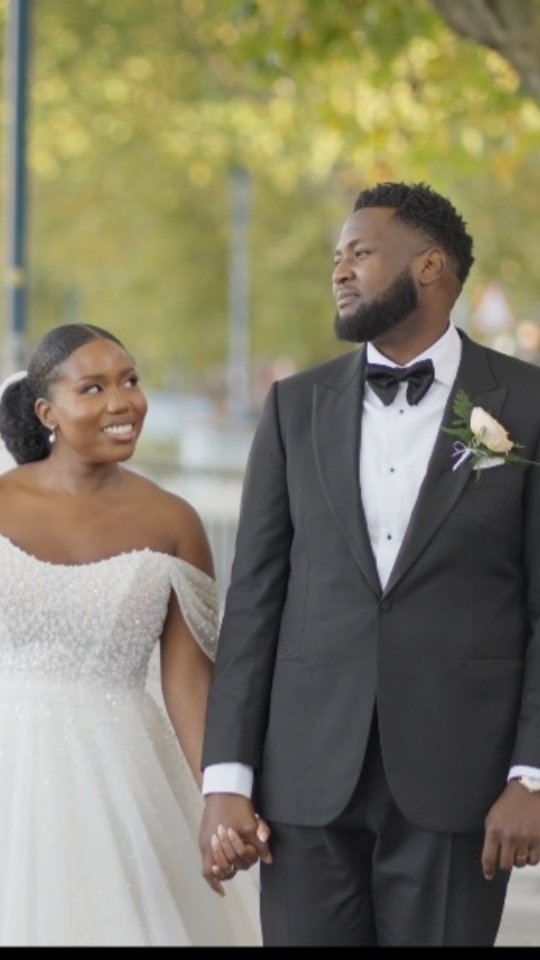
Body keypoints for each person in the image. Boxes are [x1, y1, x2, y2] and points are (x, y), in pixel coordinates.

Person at [198, 181, 540, 947]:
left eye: (361, 252)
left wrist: (532, 775)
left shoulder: (526, 404)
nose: (340, 270)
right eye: (336, 257)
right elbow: (255, 599)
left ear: (430, 266)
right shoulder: (294, 406)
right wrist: (227, 779)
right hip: (304, 780)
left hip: (461, 780)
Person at [0, 322, 263, 947]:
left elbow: (190, 683)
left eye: (131, 381)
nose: (122, 402)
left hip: (126, 778)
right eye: (92, 388)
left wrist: (223, 798)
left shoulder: (174, 521)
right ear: (48, 412)